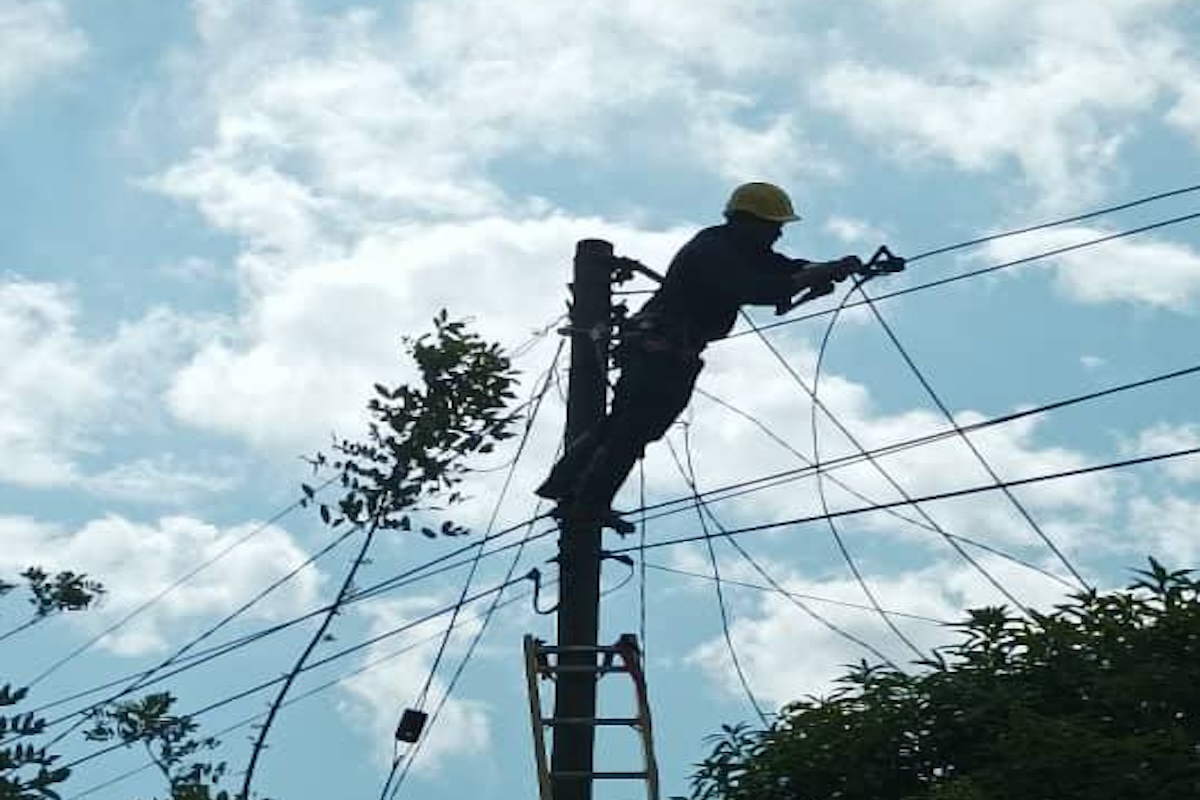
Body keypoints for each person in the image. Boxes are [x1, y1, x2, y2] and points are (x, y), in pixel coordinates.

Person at [536, 182, 863, 530]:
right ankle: (586, 502)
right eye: (773, 226)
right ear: (748, 221)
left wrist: (827, 267)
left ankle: (568, 487)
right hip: (657, 348)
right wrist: (812, 277)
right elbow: (759, 289)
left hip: (673, 351)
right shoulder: (712, 252)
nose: (778, 234)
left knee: (631, 428)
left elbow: (782, 267)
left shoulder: (740, 247)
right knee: (630, 429)